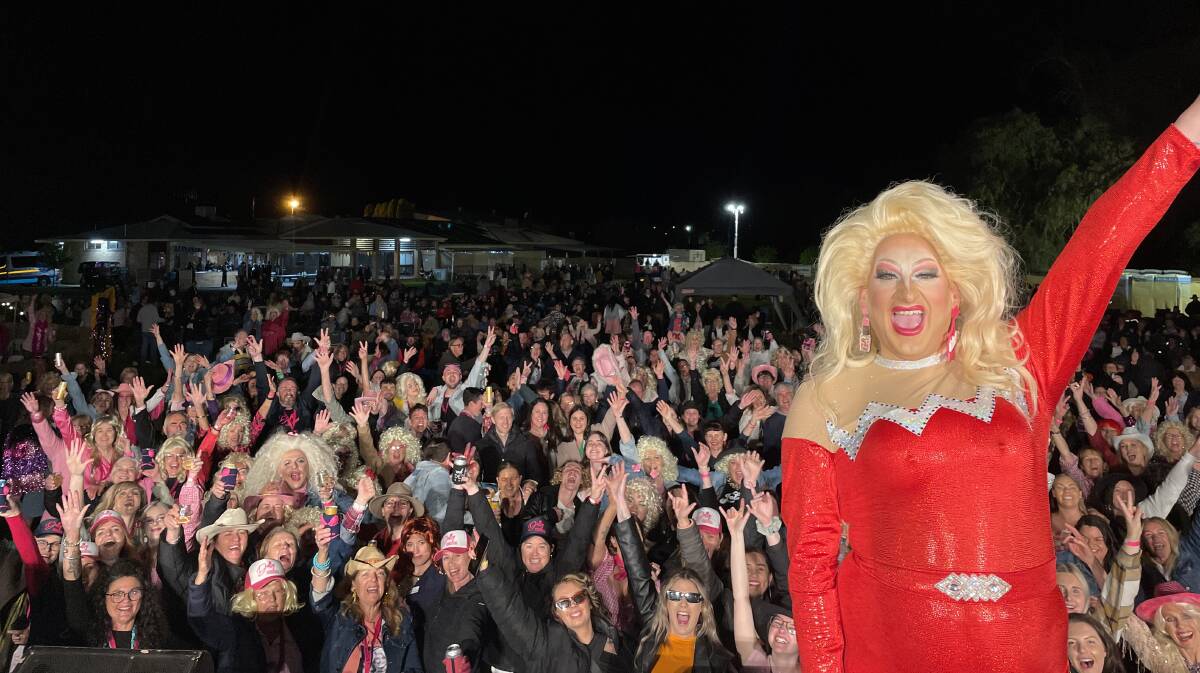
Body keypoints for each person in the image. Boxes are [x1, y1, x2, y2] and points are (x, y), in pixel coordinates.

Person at [782, 96, 1200, 672]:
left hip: (1024, 647)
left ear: (955, 292)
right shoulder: (827, 391)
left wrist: (1188, 137)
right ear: (862, 297)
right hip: (888, 647)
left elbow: (1102, 245)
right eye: (888, 276)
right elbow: (809, 560)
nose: (907, 294)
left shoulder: (1019, 363)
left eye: (926, 274)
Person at [310, 536, 422, 673]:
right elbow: (320, 596)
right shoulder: (338, 617)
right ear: (353, 585)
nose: (373, 580)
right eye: (365, 574)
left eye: (380, 574)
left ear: (386, 583)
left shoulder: (400, 621)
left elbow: (413, 668)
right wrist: (323, 551)